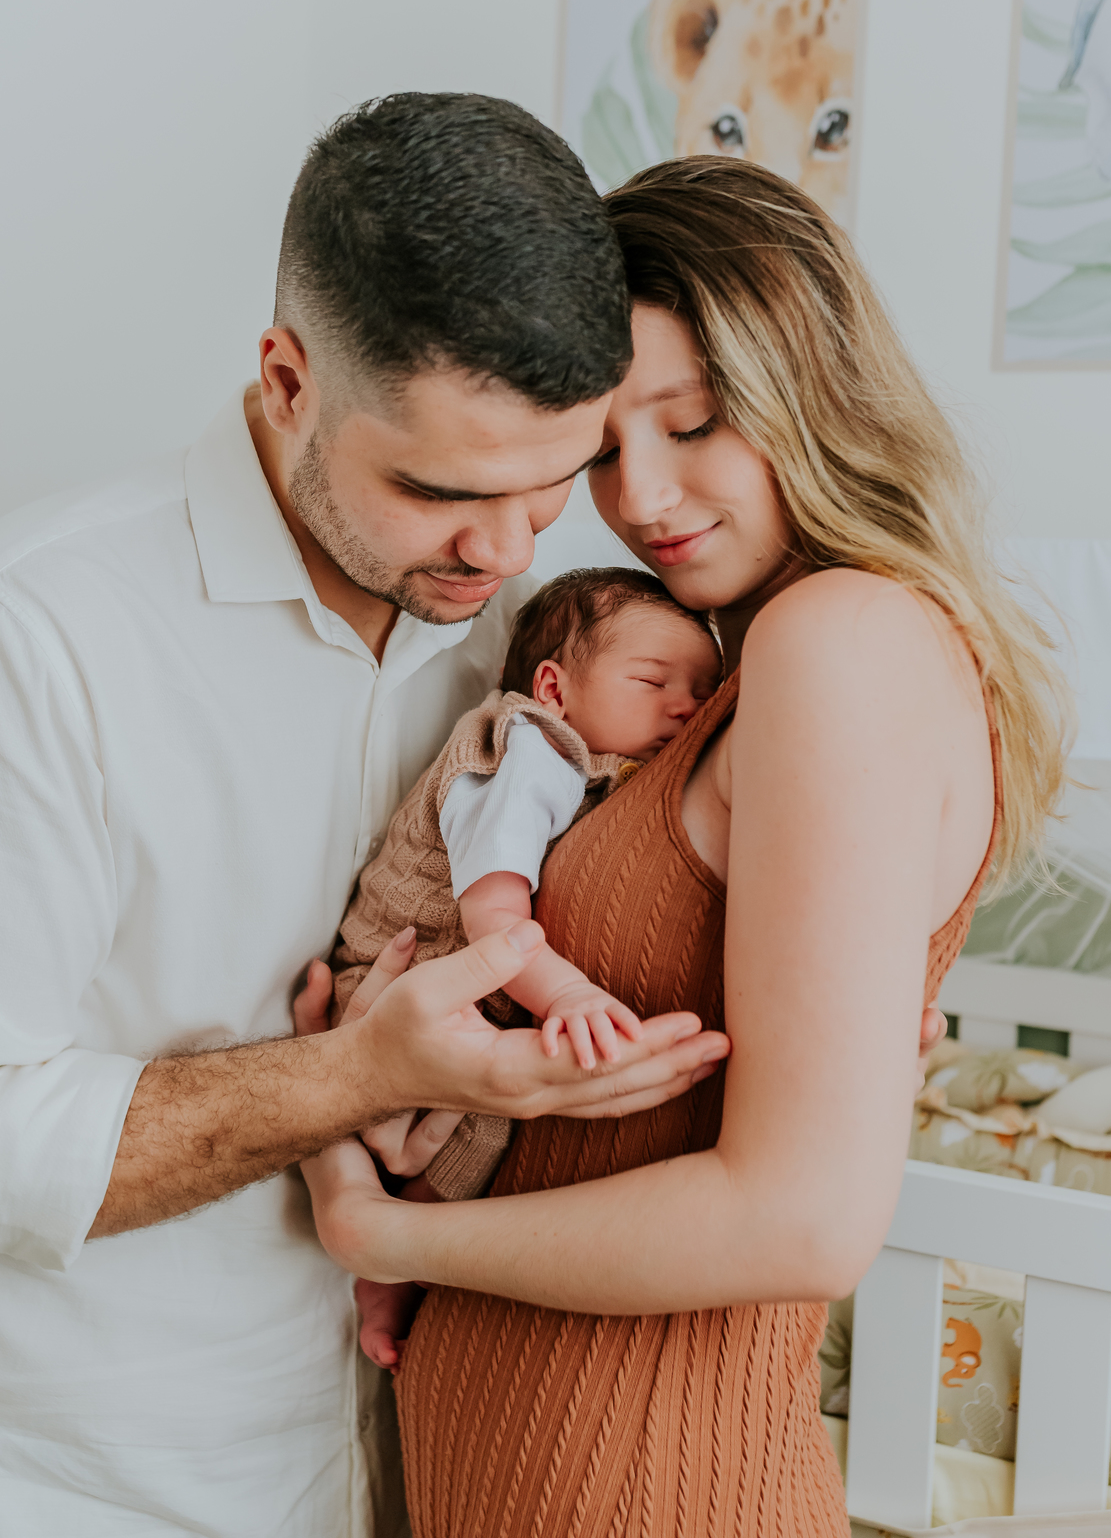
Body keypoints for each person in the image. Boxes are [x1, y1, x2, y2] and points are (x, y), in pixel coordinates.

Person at [302, 155, 1072, 1538]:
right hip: (540, 1469)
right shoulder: (719, 670)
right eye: (604, 447)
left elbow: (804, 1216)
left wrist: (390, 1233)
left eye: (696, 421)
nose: (641, 497)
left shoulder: (837, 640)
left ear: (811, 390)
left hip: (649, 1484)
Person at [0, 95, 731, 1537]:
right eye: (442, 489)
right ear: (285, 377)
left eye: (550, 486)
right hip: (100, 1493)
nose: (505, 548)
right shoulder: (49, 638)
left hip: (428, 1468)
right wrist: (346, 1074)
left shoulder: (526, 636)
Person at [336, 566, 722, 1369]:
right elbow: (494, 924)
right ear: (553, 685)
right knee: (480, 1122)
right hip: (406, 972)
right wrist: (569, 992)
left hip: (457, 981)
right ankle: (389, 1262)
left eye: (701, 688)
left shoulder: (597, 763)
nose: (684, 705)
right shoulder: (527, 752)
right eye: (653, 680)